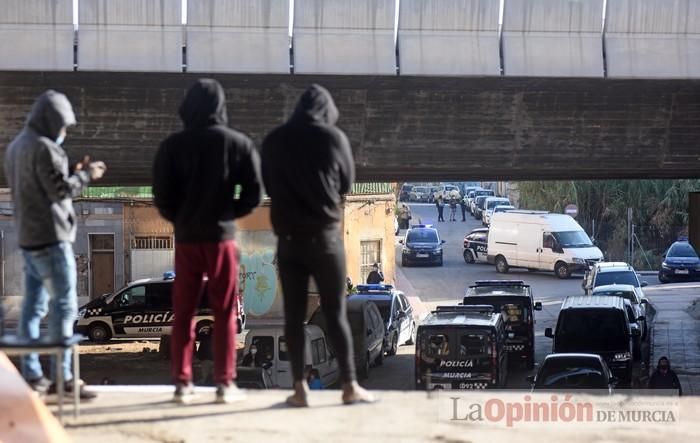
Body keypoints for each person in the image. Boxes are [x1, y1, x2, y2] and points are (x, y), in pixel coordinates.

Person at [262, 84, 375, 407]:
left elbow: (268, 183)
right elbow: (346, 183)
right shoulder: (334, 138)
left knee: (294, 317)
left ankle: (299, 389)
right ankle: (350, 386)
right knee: (335, 313)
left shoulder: (275, 140)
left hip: (288, 242)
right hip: (325, 240)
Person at [153, 78, 262, 404]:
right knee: (225, 311)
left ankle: (182, 383)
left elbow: (162, 195)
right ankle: (224, 383)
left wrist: (181, 218)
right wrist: (229, 214)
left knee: (183, 312)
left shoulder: (171, 146)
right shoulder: (237, 143)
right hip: (221, 239)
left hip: (186, 240)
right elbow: (254, 192)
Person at [4, 90, 105, 399]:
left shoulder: (15, 148)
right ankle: (63, 378)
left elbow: (40, 184)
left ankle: (33, 375)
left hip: (28, 239)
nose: (63, 132)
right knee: (64, 306)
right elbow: (59, 191)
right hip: (53, 238)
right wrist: (87, 174)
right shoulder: (47, 148)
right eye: (62, 126)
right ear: (50, 121)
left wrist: (69, 172)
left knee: (32, 308)